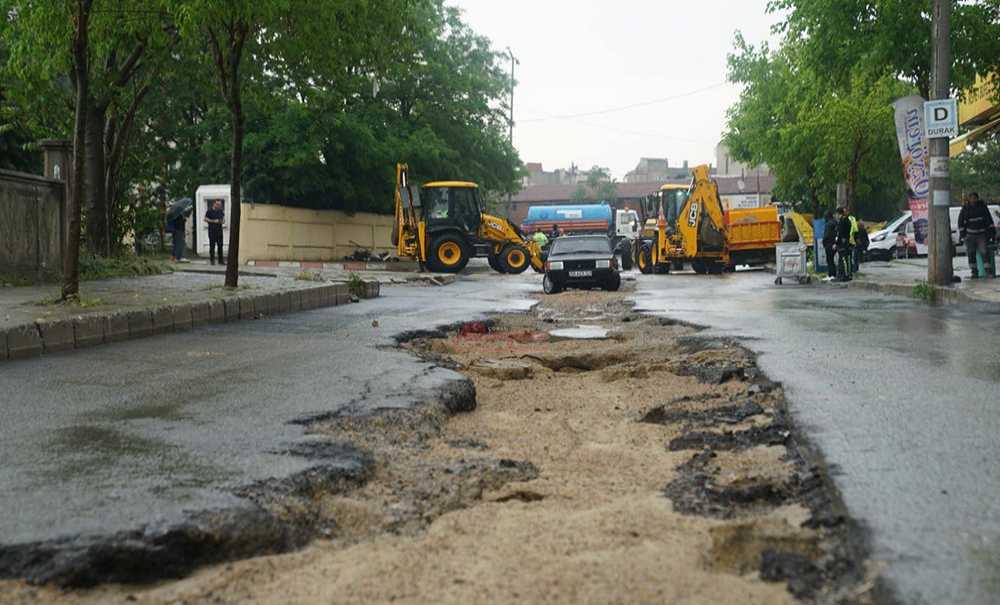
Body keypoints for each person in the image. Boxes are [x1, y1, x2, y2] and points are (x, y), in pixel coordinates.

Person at [958, 192, 995, 278]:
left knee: (984, 252)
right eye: (972, 198)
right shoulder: (965, 209)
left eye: (975, 198)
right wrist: (963, 235)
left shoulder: (983, 208)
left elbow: (989, 220)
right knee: (971, 254)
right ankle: (974, 272)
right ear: (969, 199)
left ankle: (988, 272)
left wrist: (991, 234)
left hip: (982, 235)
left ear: (977, 199)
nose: (973, 200)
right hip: (970, 235)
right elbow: (960, 223)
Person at [204, 200, 226, 265]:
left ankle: (221, 260)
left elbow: (223, 220)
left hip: (219, 231)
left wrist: (221, 221)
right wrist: (213, 221)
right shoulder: (209, 211)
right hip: (212, 231)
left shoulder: (220, 211)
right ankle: (212, 260)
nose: (219, 206)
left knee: (220, 245)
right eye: (218, 204)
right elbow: (205, 219)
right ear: (214, 204)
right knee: (212, 246)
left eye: (220, 205)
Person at [836, 207, 854, 282]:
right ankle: (844, 275)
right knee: (844, 259)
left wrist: (837, 242)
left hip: (843, 243)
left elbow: (840, 233)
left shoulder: (842, 221)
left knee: (843, 259)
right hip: (846, 241)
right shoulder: (847, 220)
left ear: (838, 213)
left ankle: (844, 275)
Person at [822, 211, 838, 278]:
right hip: (835, 243)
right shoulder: (836, 222)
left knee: (829, 260)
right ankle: (834, 274)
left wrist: (824, 242)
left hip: (829, 243)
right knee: (832, 260)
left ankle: (831, 275)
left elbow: (826, 235)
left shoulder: (828, 224)